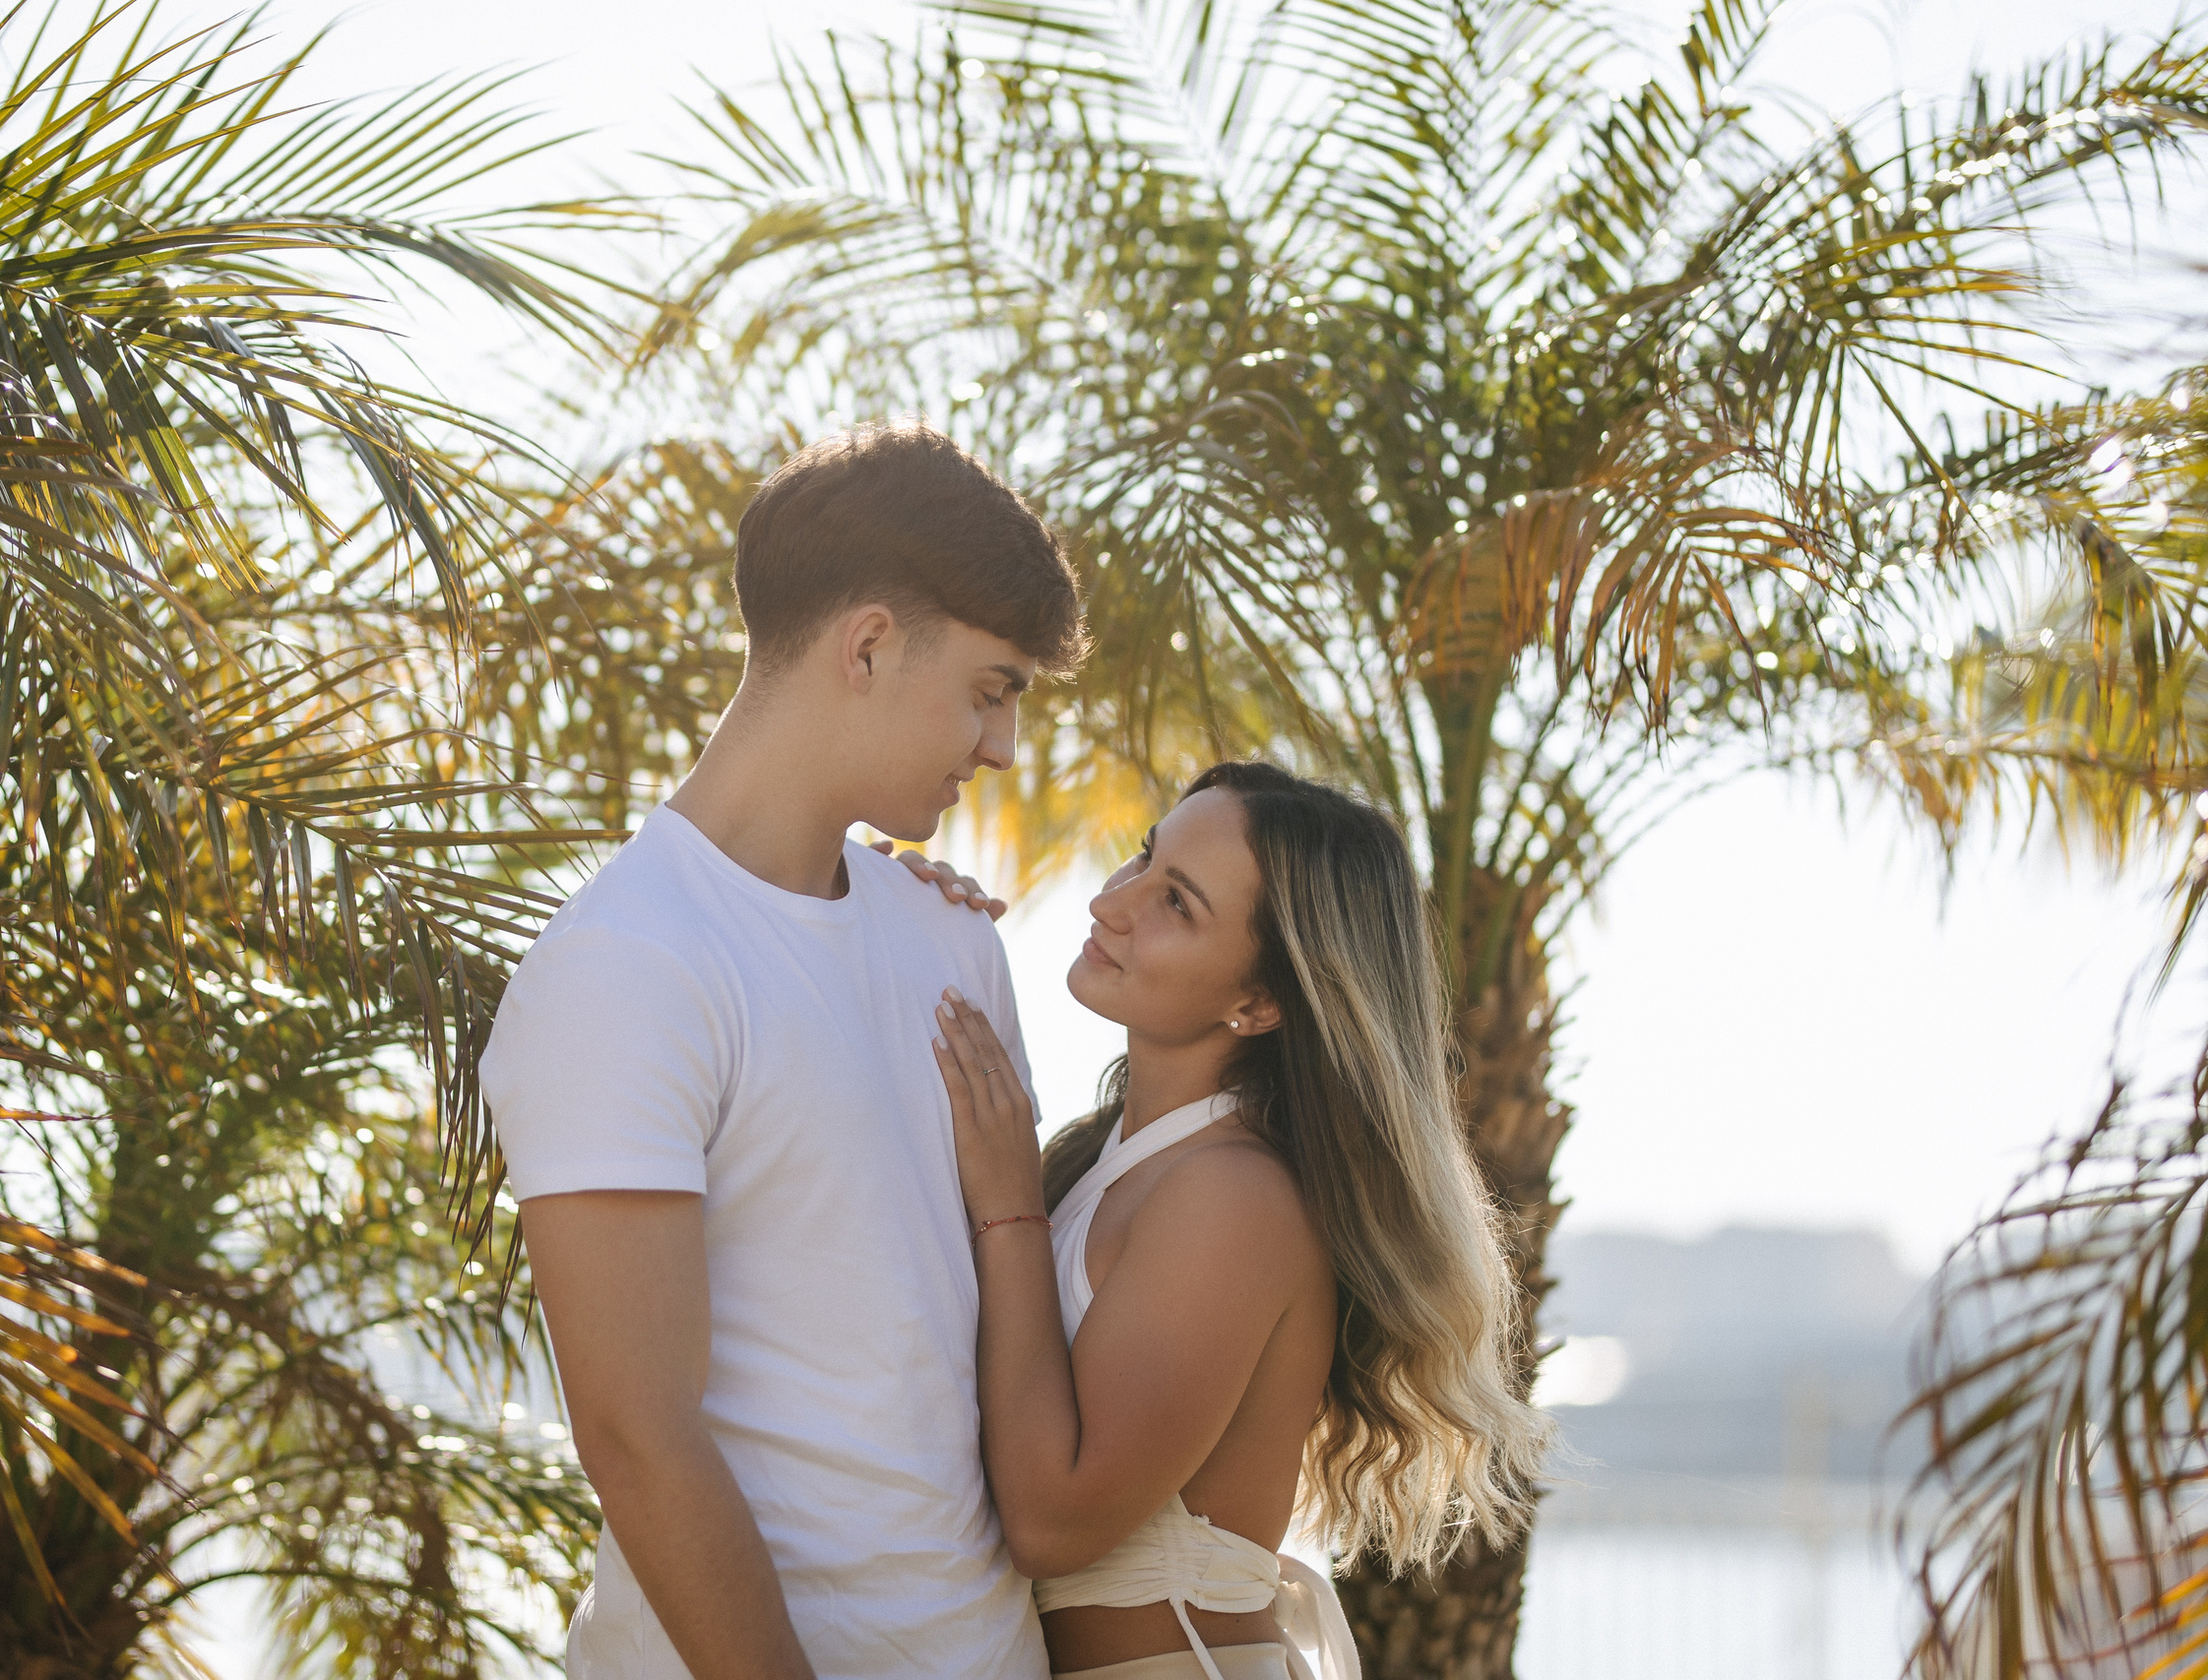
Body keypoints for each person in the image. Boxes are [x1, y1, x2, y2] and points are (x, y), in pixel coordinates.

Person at [478, 422, 1087, 1680]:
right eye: (990, 691)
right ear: (866, 646)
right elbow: (636, 1437)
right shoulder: (627, 965)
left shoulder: (952, 944)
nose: (1002, 750)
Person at [901, 763, 1550, 1680]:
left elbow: (1052, 1521)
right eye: (1141, 858)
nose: (1112, 901)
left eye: (1176, 901)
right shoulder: (1103, 1159)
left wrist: (1009, 1203)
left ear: (1260, 1002)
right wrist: (905, 931)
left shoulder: (1233, 1198)